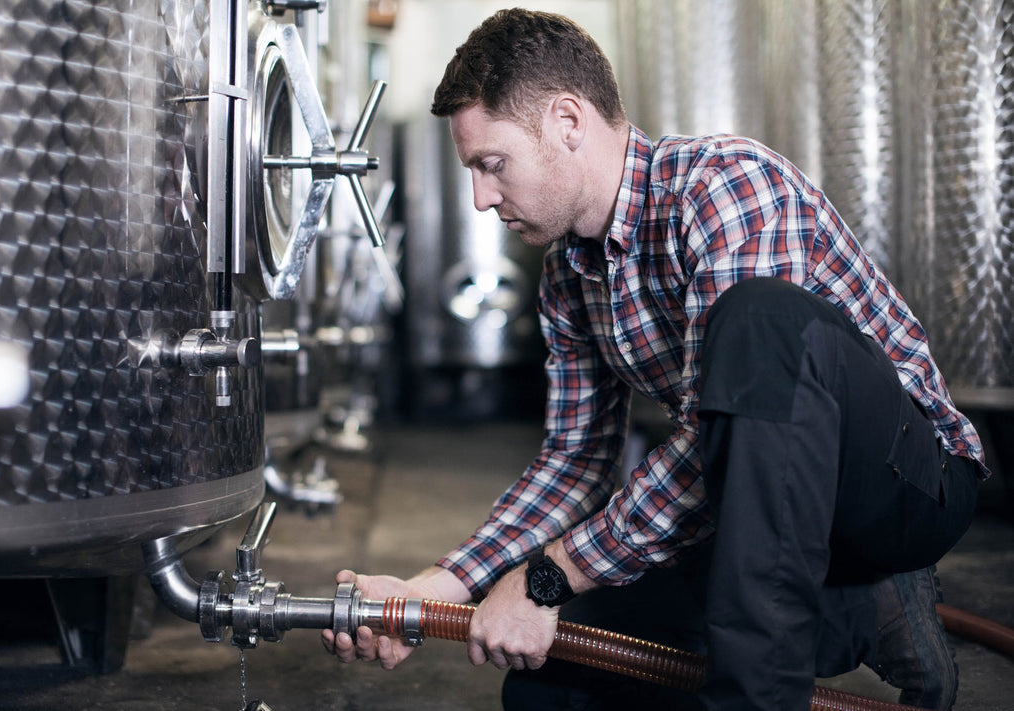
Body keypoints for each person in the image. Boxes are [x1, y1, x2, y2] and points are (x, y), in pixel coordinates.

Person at [322, 8, 987, 710]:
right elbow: (576, 462)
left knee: (759, 319)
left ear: (567, 123)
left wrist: (550, 573)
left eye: (492, 165)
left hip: (904, 485)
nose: (483, 198)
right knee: (551, 682)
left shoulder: (725, 186)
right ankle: (862, 606)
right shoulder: (567, 276)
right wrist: (435, 590)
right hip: (761, 512)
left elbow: (718, 430)